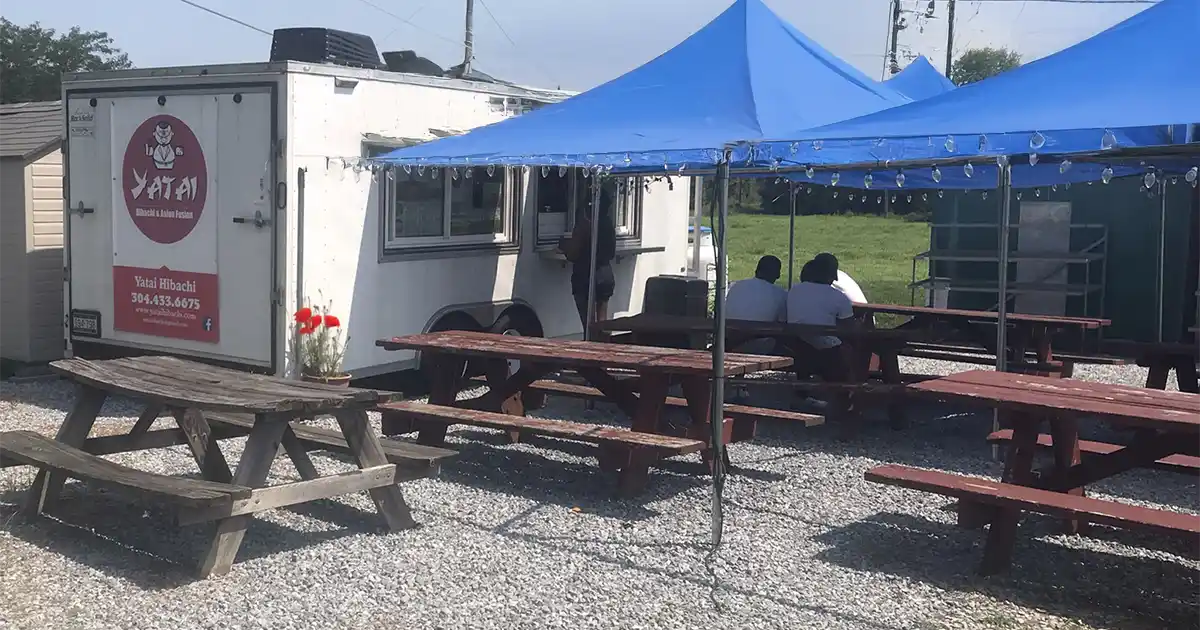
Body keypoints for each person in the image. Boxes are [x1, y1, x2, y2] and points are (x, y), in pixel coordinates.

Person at [786, 257, 859, 416]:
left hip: (797, 346)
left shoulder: (795, 290)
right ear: (831, 276)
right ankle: (847, 397)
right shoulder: (839, 297)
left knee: (812, 345)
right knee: (850, 349)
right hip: (828, 351)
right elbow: (850, 328)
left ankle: (804, 393)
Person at [724, 255, 787, 402]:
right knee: (775, 340)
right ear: (776, 273)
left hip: (728, 339)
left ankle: (738, 382)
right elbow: (783, 322)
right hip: (756, 342)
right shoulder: (780, 293)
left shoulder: (736, 286)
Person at [560, 186, 617, 332]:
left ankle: (592, 349)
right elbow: (611, 252)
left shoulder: (585, 225)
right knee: (602, 321)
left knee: (588, 324)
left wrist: (564, 247)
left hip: (585, 275)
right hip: (605, 273)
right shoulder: (608, 224)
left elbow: (573, 253)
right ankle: (605, 348)